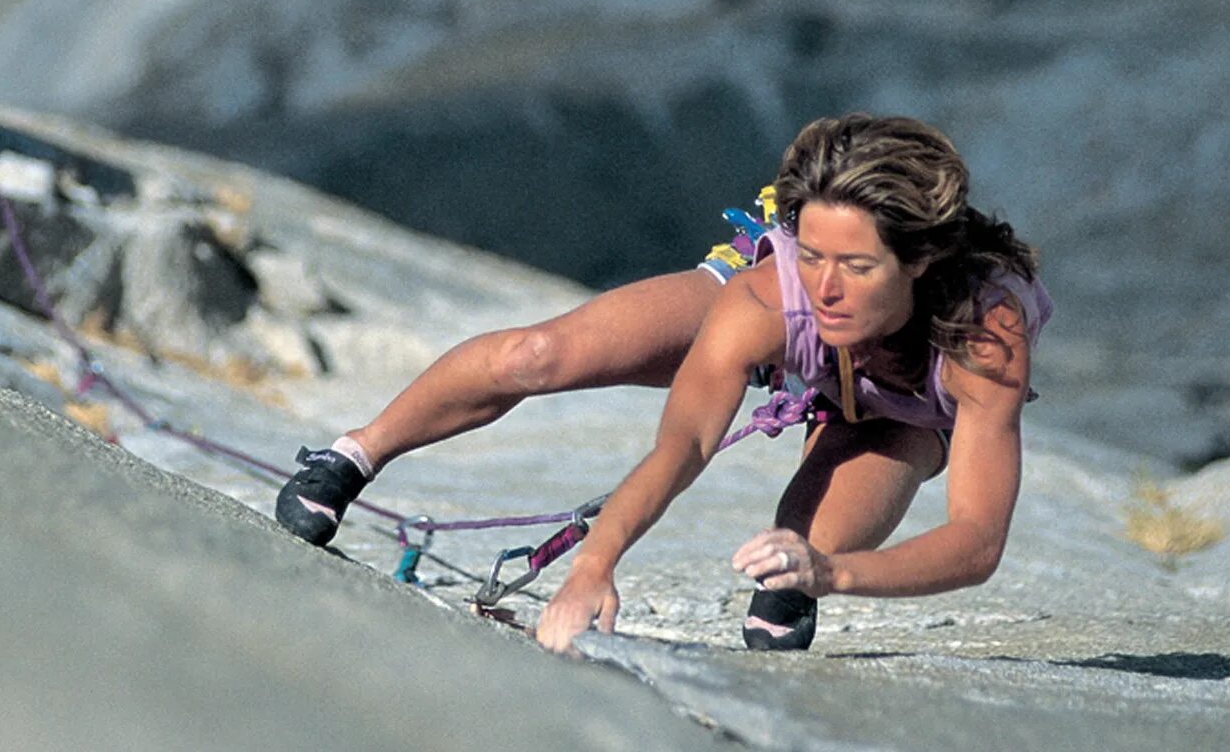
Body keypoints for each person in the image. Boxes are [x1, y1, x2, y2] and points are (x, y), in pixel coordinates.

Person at [275, 114, 1050, 653]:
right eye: (809, 253)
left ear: (919, 259)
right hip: (781, 343)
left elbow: (977, 541)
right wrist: (594, 565)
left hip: (897, 412)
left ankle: (799, 579)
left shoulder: (983, 335)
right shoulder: (768, 298)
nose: (825, 287)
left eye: (856, 266)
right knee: (537, 356)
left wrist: (831, 574)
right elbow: (684, 443)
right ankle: (353, 456)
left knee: (795, 563)